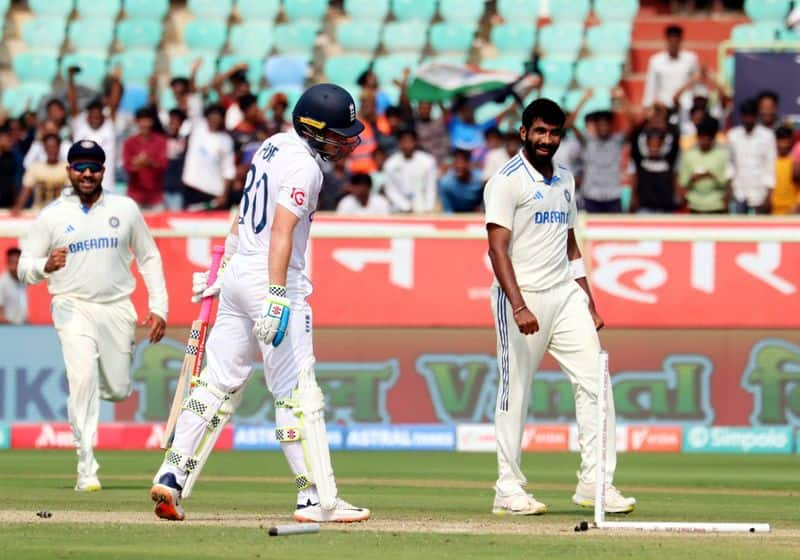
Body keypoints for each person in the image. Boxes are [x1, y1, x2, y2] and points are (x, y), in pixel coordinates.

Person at [149, 83, 370, 524]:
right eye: (338, 134)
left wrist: (223, 267)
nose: (346, 142)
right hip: (274, 277)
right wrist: (275, 294)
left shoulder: (271, 146)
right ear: (311, 130)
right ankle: (316, 499)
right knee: (296, 392)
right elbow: (283, 229)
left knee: (216, 383)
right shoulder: (308, 169)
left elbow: (244, 211)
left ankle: (171, 475)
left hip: (237, 274)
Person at [483, 98, 634, 516]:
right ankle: (508, 488)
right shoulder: (505, 181)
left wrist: (588, 301)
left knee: (596, 383)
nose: (547, 140)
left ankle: (595, 483)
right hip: (522, 297)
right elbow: (497, 250)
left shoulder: (566, 179)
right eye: (540, 132)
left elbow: (570, 245)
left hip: (566, 295)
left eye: (554, 133)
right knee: (516, 392)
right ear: (523, 132)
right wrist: (518, 306)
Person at [17, 139, 167, 491]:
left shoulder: (125, 208)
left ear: (103, 171)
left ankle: (87, 392)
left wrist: (159, 306)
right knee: (82, 378)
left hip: (116, 307)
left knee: (116, 389)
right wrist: (44, 265)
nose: (87, 173)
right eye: (80, 167)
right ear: (69, 171)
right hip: (71, 304)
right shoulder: (52, 215)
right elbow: (24, 267)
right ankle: (87, 468)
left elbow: (149, 257)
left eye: (94, 167)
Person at [567, 88, 633, 213]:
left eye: (606, 124)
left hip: (613, 196)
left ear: (611, 125)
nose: (603, 127)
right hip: (591, 196)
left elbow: (634, 125)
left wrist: (621, 98)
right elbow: (569, 123)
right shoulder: (587, 141)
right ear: (596, 126)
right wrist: (583, 100)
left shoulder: (617, 140)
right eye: (600, 124)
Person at [68, 67, 122, 191]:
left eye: (98, 116)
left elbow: (114, 104)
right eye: (92, 116)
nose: (95, 119)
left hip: (107, 187)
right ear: (87, 116)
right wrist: (71, 79)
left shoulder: (109, 126)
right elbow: (73, 103)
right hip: (82, 186)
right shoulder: (80, 125)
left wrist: (116, 81)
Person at [181, 104, 236, 209]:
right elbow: (193, 104)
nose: (214, 120)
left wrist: (224, 194)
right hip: (191, 188)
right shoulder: (197, 128)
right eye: (212, 116)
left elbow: (228, 170)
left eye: (218, 117)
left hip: (212, 193)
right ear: (207, 117)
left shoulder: (226, 140)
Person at [728, 99, 776, 214]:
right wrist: (729, 189)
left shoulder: (767, 136)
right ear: (741, 117)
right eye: (745, 116)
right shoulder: (733, 136)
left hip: (760, 194)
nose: (748, 120)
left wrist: (768, 196)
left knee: (761, 230)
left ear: (756, 116)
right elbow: (730, 164)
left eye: (751, 116)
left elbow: (770, 166)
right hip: (739, 193)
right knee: (737, 230)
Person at [677, 116, 731, 214]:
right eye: (702, 138)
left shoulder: (722, 155)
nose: (705, 142)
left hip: (716, 206)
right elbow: (682, 184)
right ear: (698, 137)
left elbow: (727, 183)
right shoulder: (689, 155)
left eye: (708, 139)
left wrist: (711, 176)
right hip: (694, 206)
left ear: (713, 138)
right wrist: (692, 178)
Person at [642, 25, 699, 110]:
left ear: (680, 40)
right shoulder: (655, 61)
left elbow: (696, 82)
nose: (673, 44)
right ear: (666, 40)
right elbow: (651, 85)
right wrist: (647, 105)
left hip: (686, 106)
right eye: (671, 41)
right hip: (664, 107)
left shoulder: (691, 59)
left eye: (676, 41)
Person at [122, 108, 168, 210]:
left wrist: (148, 162)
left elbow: (163, 165)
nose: (145, 124)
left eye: (148, 121)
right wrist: (140, 163)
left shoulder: (161, 141)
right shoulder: (129, 143)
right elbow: (127, 168)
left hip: (155, 197)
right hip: (135, 196)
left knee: (158, 226)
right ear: (137, 122)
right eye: (142, 121)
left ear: (152, 122)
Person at [383, 128, 438, 213]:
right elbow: (391, 190)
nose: (407, 145)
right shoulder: (390, 164)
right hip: (399, 209)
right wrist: (406, 207)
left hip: (423, 208)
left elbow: (431, 187)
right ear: (399, 143)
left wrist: (428, 208)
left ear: (415, 142)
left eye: (410, 141)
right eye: (404, 142)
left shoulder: (428, 161)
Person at [13, 133, 69, 213]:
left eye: (54, 147)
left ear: (59, 147)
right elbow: (26, 190)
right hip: (38, 212)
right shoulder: (35, 168)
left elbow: (71, 193)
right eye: (48, 147)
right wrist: (18, 207)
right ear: (44, 148)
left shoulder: (67, 168)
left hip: (60, 212)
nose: (51, 150)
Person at [630, 129, 677, 213]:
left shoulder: (668, 163)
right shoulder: (640, 162)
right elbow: (635, 135)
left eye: (657, 145)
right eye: (651, 145)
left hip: (665, 209)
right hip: (645, 209)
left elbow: (675, 136)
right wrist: (634, 198)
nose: (654, 148)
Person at [439, 148, 484, 213]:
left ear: (469, 163)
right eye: (456, 162)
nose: (459, 166)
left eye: (462, 162)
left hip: (476, 215)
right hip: (455, 216)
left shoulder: (480, 179)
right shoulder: (445, 183)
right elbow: (447, 210)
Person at [164, 109, 188, 210]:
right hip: (161, 190)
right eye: (171, 122)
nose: (173, 125)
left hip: (178, 191)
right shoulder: (161, 140)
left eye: (176, 122)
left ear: (181, 124)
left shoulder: (186, 142)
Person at [771, 126, 799, 214]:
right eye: (780, 141)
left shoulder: (795, 163)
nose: (783, 145)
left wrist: (797, 204)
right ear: (775, 142)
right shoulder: (770, 162)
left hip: (792, 211)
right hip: (771, 212)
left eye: (786, 142)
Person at [0, 247, 27, 325]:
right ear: (8, 262)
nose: (14, 267)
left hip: (23, 327)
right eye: (12, 263)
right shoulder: (2, 283)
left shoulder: (23, 281)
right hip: (9, 329)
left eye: (17, 263)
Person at [0, 123, 22, 209]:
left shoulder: (13, 157)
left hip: (8, 203)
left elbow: (15, 183)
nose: (11, 141)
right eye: (8, 138)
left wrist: (16, 203)